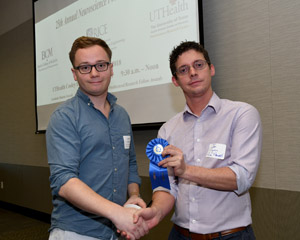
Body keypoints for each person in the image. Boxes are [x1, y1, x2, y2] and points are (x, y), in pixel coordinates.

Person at [134, 41, 262, 239]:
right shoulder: (167, 130)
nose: (192, 72)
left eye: (198, 65)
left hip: (230, 236)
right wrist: (156, 212)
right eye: (183, 69)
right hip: (180, 235)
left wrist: (186, 170)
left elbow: (243, 177)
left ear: (211, 69)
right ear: (175, 80)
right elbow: (164, 186)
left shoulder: (241, 114)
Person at [46, 36, 148, 240]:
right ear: (74, 74)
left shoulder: (122, 115)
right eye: (85, 67)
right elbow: (64, 181)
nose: (94, 73)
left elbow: (130, 163)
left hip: (118, 231)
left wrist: (134, 196)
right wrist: (117, 213)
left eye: (100, 65)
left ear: (111, 68)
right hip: (76, 232)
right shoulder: (65, 117)